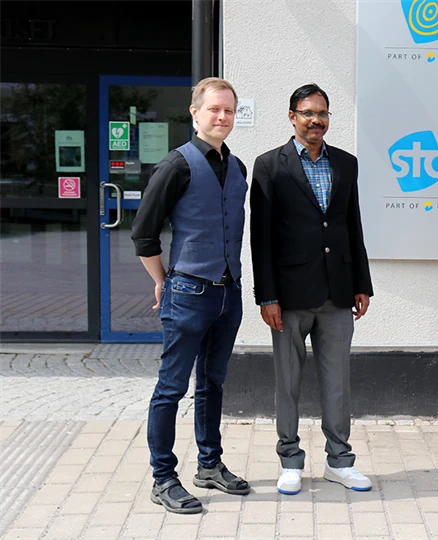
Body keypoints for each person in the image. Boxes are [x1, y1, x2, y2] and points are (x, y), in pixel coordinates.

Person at [131, 77, 250, 514]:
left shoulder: (238, 168)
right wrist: (163, 279)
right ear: (195, 112)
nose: (222, 117)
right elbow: (144, 235)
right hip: (188, 292)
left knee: (213, 384)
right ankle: (163, 478)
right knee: (171, 388)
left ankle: (210, 465)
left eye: (229, 111)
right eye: (214, 109)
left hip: (227, 294)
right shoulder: (175, 166)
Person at [250, 83, 374, 496]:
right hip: (287, 296)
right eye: (307, 113)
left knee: (337, 382)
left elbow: (351, 225)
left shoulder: (346, 164)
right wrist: (266, 295)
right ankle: (290, 460)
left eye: (322, 113)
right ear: (292, 117)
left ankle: (340, 461)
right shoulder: (270, 165)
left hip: (337, 292)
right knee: (288, 382)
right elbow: (261, 237)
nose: (315, 120)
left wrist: (361, 283)